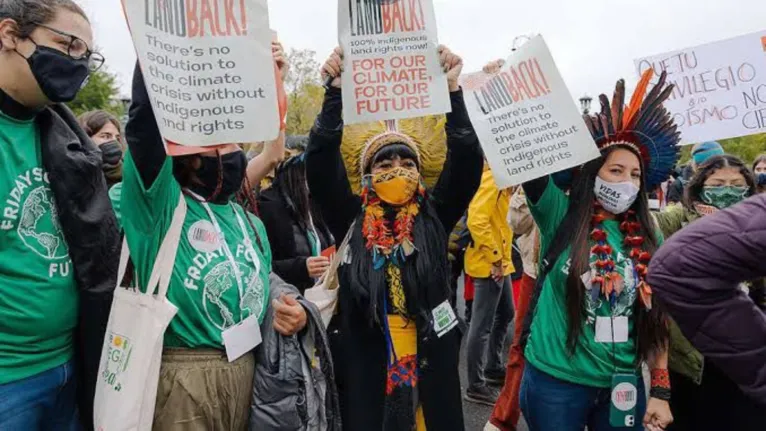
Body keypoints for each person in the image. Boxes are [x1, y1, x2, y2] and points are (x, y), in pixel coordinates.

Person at [120, 43, 310, 429]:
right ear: (188, 154)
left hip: (247, 368)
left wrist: (291, 309)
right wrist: (161, 45)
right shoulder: (162, 209)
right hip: (185, 377)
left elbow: (264, 283)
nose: (236, 152)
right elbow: (144, 128)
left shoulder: (247, 221)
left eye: (237, 141)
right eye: (222, 142)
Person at [306, 45, 483, 430]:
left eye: (407, 163)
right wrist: (334, 92)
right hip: (368, 371)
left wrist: (452, 91)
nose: (397, 170)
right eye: (385, 164)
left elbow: (468, 161)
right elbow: (319, 164)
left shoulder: (435, 216)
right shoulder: (349, 217)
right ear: (367, 176)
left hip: (429, 366)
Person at [517, 69, 678, 431]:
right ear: (593, 174)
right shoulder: (561, 214)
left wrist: (661, 390)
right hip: (556, 383)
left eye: (635, 175)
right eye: (616, 170)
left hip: (622, 384)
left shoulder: (650, 237)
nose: (627, 182)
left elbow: (657, 318)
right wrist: (520, 93)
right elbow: (530, 162)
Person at [0, 1, 119, 429]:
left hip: (69, 364)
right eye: (66, 45)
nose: (78, 62)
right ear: (9, 34)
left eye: (86, 54)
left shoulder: (63, 136)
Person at [652, 155, 764, 430]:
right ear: (701, 186)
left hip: (745, 348)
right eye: (719, 183)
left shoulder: (756, 224)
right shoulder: (678, 217)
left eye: (737, 183)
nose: (728, 189)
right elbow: (649, 224)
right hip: (692, 356)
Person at [488, 186, 540, 431]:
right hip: (536, 272)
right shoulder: (538, 176)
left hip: (582, 275)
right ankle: (503, 418)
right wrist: (533, 189)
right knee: (521, 346)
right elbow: (516, 223)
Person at [464, 164, 514, 405]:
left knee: (506, 313)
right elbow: (477, 219)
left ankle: (493, 368)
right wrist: (495, 257)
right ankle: (475, 384)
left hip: (499, 262)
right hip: (490, 264)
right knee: (481, 325)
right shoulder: (493, 178)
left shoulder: (501, 180)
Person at [258, 154, 334, 293]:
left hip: (322, 297)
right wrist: (301, 268)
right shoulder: (267, 207)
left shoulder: (315, 203)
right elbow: (259, 266)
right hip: (288, 299)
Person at [78, 109, 124, 188]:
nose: (114, 142)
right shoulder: (75, 177)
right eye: (106, 136)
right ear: (86, 138)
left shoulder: (129, 176)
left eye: (117, 138)